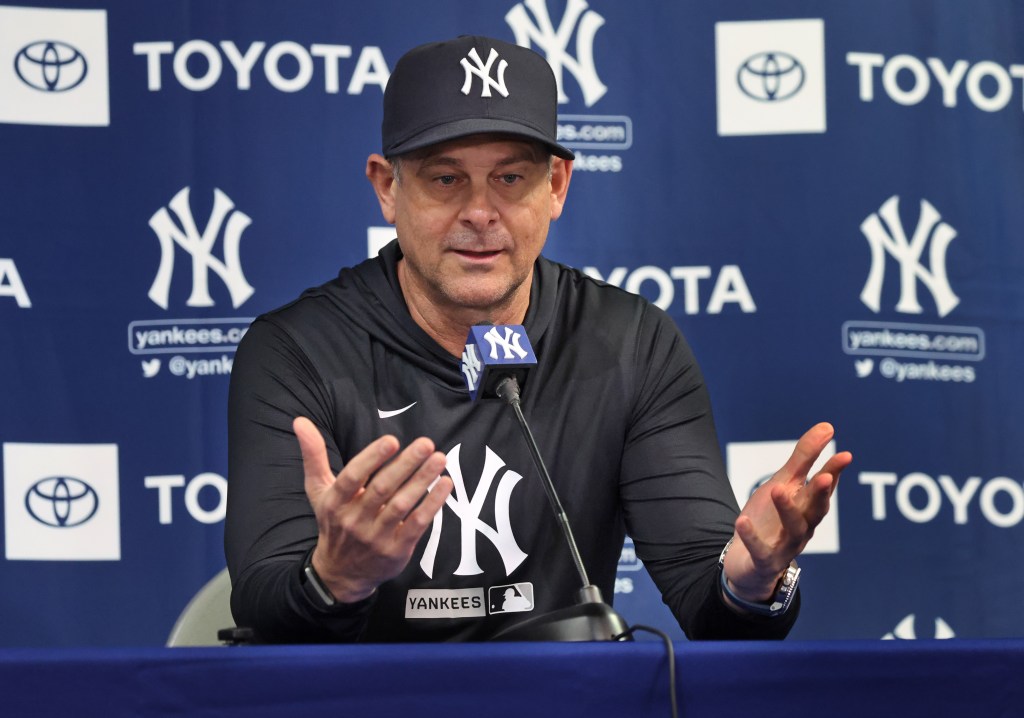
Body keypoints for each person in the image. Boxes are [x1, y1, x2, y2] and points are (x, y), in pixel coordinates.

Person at [225, 35, 852, 643]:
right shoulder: (295, 352)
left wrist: (752, 577)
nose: (479, 212)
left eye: (510, 179)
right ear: (388, 187)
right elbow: (266, 607)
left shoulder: (631, 344)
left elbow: (708, 601)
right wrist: (337, 577)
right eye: (445, 179)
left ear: (556, 185)